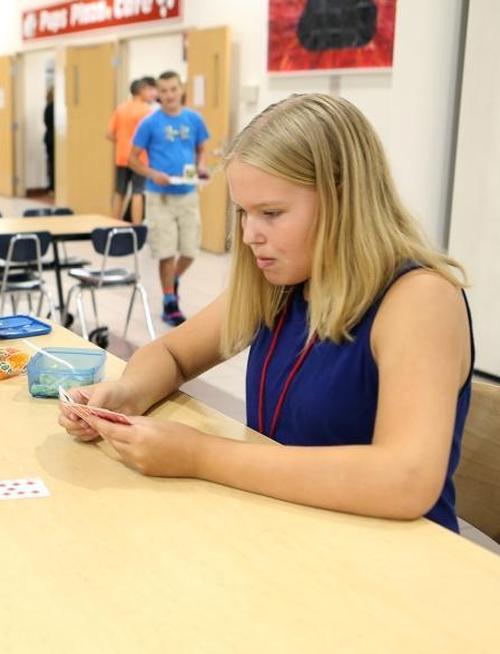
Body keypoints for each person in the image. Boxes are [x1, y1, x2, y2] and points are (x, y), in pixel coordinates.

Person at [58, 94, 473, 534]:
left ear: (344, 198)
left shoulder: (419, 299)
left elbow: (405, 480)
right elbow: (174, 355)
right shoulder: (282, 283)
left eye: (272, 213)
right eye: (243, 212)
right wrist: (129, 393)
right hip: (293, 528)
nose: (250, 234)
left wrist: (200, 455)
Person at [127, 71, 209, 326]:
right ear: (157, 94)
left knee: (189, 251)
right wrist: (153, 173)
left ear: (181, 89)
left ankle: (172, 280)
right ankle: (169, 302)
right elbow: (132, 158)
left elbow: (201, 147)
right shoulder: (150, 123)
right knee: (165, 252)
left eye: (173, 89)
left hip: (187, 195)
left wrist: (202, 166)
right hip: (159, 196)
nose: (169, 95)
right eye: (163, 91)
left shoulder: (194, 119)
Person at [107, 76, 157, 224]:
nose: (152, 94)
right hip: (140, 158)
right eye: (149, 90)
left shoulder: (120, 109)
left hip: (122, 157)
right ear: (141, 91)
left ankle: (112, 224)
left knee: (119, 191)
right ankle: (136, 227)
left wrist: (123, 142)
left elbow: (109, 134)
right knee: (137, 192)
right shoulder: (147, 111)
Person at [43, 87, 55, 193]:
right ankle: (53, 186)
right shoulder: (54, 107)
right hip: (53, 139)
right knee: (53, 163)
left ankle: (52, 186)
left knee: (51, 163)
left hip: (49, 139)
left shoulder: (48, 107)